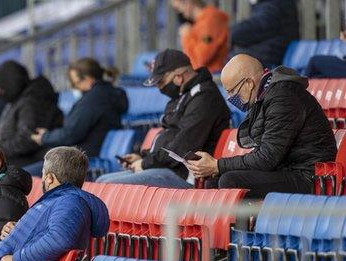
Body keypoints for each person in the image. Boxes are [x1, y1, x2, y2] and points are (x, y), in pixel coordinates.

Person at [187, 54, 337, 198]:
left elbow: (267, 157)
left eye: (232, 91)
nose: (231, 98)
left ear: (248, 83)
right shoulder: (266, 96)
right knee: (214, 181)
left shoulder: (283, 98)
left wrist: (218, 165)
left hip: (309, 176)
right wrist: (217, 168)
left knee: (230, 181)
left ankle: (248, 224)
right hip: (288, 169)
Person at [97, 49, 229, 188]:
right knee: (101, 181)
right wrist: (143, 157)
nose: (160, 87)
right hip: (167, 168)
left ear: (178, 77)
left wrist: (144, 164)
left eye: (161, 82)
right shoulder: (182, 94)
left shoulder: (204, 97)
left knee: (107, 185)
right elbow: (169, 138)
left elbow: (182, 147)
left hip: (185, 175)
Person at [29, 58, 128, 175]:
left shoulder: (92, 101)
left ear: (88, 79)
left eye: (76, 83)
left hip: (85, 159)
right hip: (97, 155)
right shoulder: (113, 93)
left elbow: (71, 134)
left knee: (29, 174)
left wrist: (45, 137)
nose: (75, 88)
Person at [0, 60, 63, 167]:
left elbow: (27, 140)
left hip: (33, 160)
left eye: (1, 88)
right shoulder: (20, 98)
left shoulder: (32, 102)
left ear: (10, 84)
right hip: (20, 159)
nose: (0, 92)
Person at [230, 0, 299, 68]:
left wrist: (227, 32)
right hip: (266, 56)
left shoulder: (275, 4)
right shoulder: (265, 4)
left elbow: (257, 25)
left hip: (271, 59)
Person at [172, 0, 229, 72]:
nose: (179, 13)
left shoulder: (210, 20)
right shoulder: (198, 22)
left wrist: (187, 37)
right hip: (202, 74)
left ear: (187, 2)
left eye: (178, 8)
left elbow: (203, 58)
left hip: (212, 75)